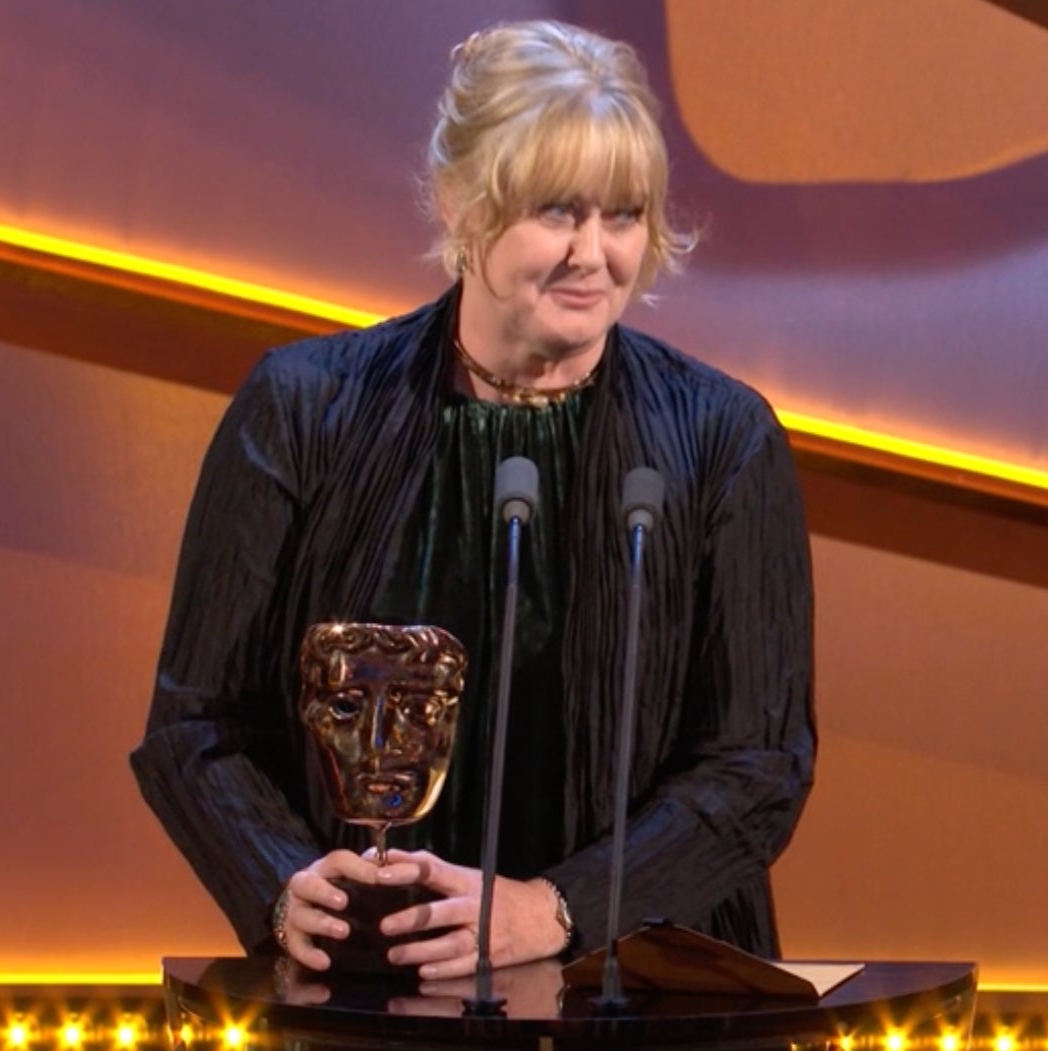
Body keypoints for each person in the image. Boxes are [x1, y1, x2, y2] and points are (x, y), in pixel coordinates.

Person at [130, 18, 816, 982]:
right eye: (554, 211)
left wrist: (556, 908)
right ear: (460, 203)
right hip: (371, 989)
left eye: (621, 215)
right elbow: (195, 724)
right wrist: (284, 884)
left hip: (645, 992)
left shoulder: (720, 437)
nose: (593, 254)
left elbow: (759, 764)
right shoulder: (304, 409)